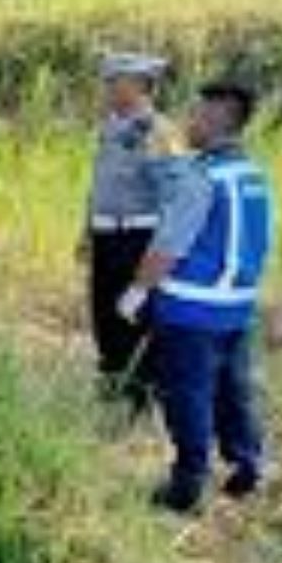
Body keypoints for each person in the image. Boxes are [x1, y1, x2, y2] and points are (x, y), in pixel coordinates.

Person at [117, 79, 273, 513]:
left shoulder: (201, 178)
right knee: (232, 391)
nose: (188, 121)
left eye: (195, 114)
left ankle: (187, 486)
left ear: (214, 119)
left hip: (191, 310)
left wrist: (137, 290)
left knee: (187, 395)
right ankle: (248, 467)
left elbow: (170, 244)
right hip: (236, 308)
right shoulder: (251, 173)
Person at [80, 52, 183, 413]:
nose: (108, 87)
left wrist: (160, 252)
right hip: (106, 234)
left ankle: (138, 400)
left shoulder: (158, 132)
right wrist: (86, 231)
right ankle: (111, 386)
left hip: (137, 238)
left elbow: (173, 197)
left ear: (141, 85)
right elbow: (100, 184)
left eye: (116, 80)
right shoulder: (110, 126)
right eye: (108, 80)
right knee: (103, 314)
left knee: (133, 318)